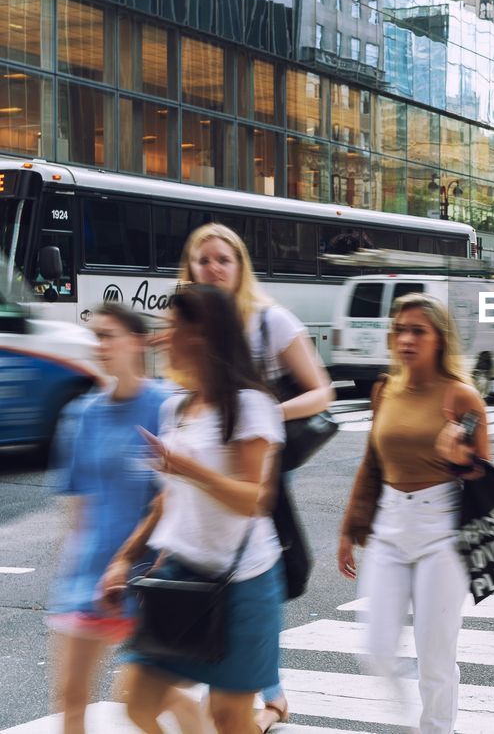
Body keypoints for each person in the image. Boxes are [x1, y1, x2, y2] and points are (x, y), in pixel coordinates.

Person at [102, 285, 285, 734]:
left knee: (229, 721)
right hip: (180, 576)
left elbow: (254, 500)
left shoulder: (250, 405)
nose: (162, 338)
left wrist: (189, 468)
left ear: (201, 333)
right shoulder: (176, 408)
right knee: (136, 704)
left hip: (242, 585)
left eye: (172, 327)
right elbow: (167, 499)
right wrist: (125, 557)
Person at [179, 222, 334, 732]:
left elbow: (321, 392)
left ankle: (265, 692)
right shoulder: (191, 322)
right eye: (204, 261)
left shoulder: (269, 320)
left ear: (241, 265)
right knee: (213, 567)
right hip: (200, 469)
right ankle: (250, 690)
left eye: (224, 259)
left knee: (254, 571)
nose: (214, 268)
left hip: (252, 466)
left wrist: (265, 416)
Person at [47, 305, 205, 734]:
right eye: (95, 337)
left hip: (147, 578)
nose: (100, 346)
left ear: (137, 341)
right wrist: (79, 565)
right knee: (70, 695)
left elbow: (179, 498)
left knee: (157, 698)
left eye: (108, 335)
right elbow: (78, 504)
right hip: (89, 577)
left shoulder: (165, 407)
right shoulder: (82, 415)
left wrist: (162, 562)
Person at [337, 293, 489, 734]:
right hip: (389, 526)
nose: (405, 339)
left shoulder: (461, 396)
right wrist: (349, 528)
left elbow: (484, 475)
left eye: (417, 331)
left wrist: (460, 457)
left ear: (439, 339)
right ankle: (416, 723)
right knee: (377, 649)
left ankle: (438, 729)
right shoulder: (385, 390)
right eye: (399, 329)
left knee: (435, 654)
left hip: (442, 529)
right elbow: (371, 462)